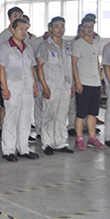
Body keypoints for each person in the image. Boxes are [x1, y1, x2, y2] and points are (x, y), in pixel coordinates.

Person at [0, 18, 40, 162]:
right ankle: (8, 150)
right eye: (20, 29)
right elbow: (1, 68)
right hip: (12, 88)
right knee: (11, 119)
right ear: (13, 30)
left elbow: (31, 67)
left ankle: (23, 148)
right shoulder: (5, 47)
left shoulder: (27, 48)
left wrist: (34, 85)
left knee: (26, 118)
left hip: (27, 88)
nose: (23, 32)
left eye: (25, 29)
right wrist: (5, 88)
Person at [37, 17, 74, 156]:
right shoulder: (45, 46)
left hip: (65, 86)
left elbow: (69, 67)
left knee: (62, 116)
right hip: (51, 86)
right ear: (50, 28)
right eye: (57, 26)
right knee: (49, 116)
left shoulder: (67, 46)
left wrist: (71, 85)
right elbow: (39, 67)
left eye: (62, 26)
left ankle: (59, 142)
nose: (60, 28)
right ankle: (47, 143)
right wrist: (45, 86)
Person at [72, 19, 107, 150]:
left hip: (95, 83)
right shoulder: (78, 44)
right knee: (81, 113)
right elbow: (74, 64)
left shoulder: (95, 44)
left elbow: (97, 63)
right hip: (83, 83)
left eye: (91, 27)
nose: (89, 29)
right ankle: (79, 139)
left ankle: (92, 138)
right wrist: (77, 82)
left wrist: (100, 79)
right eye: (86, 27)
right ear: (82, 28)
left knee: (92, 113)